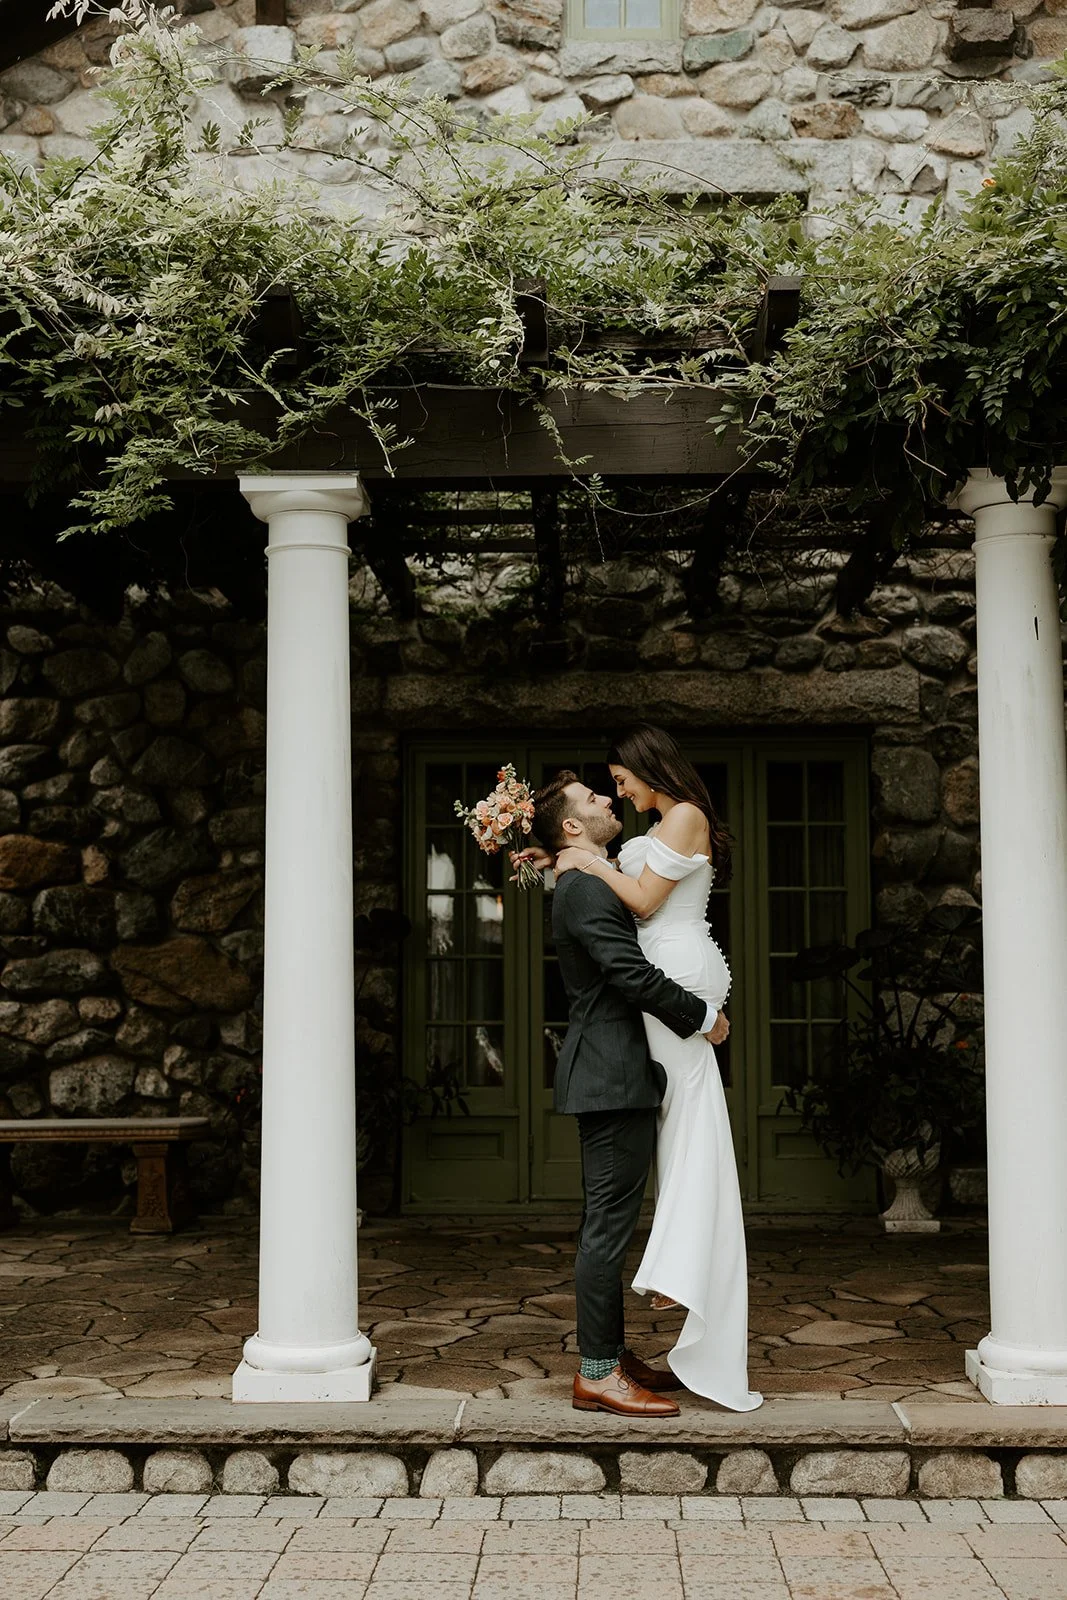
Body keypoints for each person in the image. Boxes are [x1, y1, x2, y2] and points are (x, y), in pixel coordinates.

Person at [531, 729, 762, 1412]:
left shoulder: (598, 866)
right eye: (598, 793)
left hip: (625, 1066)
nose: (614, 796)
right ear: (574, 824)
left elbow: (635, 895)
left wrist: (555, 856)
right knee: (607, 1222)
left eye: (616, 783)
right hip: (609, 1070)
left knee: (626, 1206)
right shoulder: (584, 887)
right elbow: (628, 968)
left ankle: (619, 1349)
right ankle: (599, 1371)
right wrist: (698, 1016)